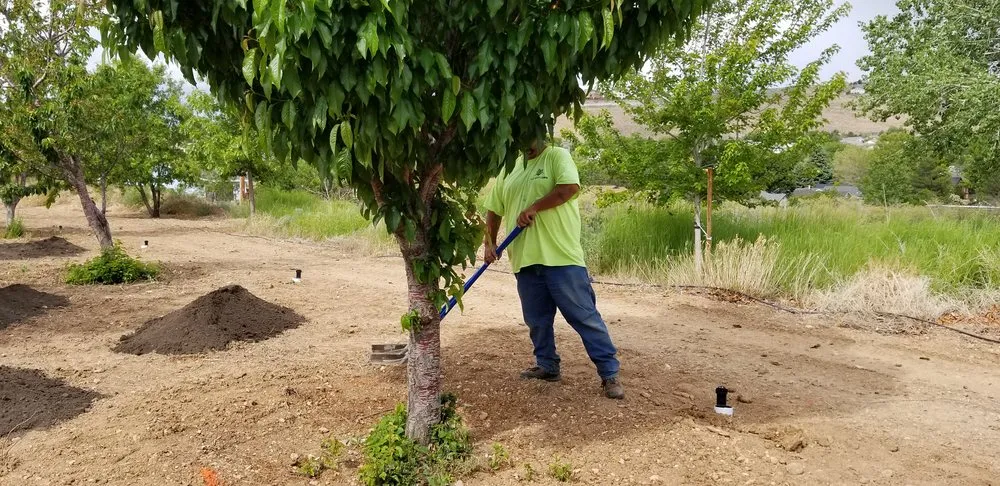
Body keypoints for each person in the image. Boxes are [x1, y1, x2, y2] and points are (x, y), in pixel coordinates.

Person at [482, 138, 624, 399]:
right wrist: (489, 241)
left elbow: (568, 188)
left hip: (562, 258)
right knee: (536, 320)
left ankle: (609, 373)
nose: (527, 141)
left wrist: (534, 207)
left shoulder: (557, 156)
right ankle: (547, 366)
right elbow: (494, 208)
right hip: (524, 258)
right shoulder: (509, 167)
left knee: (584, 317)